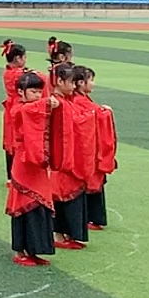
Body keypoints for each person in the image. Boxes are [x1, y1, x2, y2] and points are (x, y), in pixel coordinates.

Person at [4, 71, 56, 267]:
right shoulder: (17, 109)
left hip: (37, 163)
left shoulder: (36, 108)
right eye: (32, 91)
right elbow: (30, 112)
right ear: (20, 91)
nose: (37, 95)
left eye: (39, 92)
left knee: (39, 205)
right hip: (24, 162)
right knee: (23, 205)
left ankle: (34, 250)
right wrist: (45, 103)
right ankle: (20, 250)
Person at [48, 63, 96, 250]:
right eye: (70, 82)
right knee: (62, 195)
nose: (73, 86)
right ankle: (60, 234)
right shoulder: (57, 102)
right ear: (59, 81)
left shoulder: (66, 102)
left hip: (70, 155)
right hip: (63, 158)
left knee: (69, 194)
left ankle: (66, 233)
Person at [82, 66, 116, 231]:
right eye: (91, 80)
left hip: (93, 147)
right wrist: (104, 112)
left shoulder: (85, 99)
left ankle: (94, 217)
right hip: (89, 149)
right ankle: (90, 217)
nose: (93, 84)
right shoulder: (78, 100)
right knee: (90, 182)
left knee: (96, 181)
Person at [0, 40, 29, 178]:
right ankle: (18, 173)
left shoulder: (8, 72)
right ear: (18, 58)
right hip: (19, 106)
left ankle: (10, 175)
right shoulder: (20, 74)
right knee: (19, 137)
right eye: (24, 57)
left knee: (10, 138)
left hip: (10, 107)